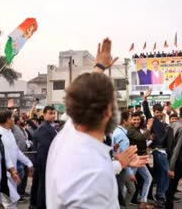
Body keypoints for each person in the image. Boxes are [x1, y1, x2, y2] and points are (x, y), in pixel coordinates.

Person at [46, 38, 148, 209]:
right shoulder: (95, 176)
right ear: (108, 112)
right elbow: (93, 172)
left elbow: (85, 96)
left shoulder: (67, 135)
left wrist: (99, 68)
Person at [0, 111, 33, 209]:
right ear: (8, 119)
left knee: (10, 201)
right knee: (10, 201)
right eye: (12, 117)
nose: (14, 120)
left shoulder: (9, 133)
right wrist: (11, 170)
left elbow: (16, 151)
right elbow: (4, 156)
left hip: (12, 174)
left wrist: (28, 162)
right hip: (5, 174)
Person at [142, 90, 169, 207]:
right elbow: (146, 111)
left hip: (162, 151)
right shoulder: (152, 120)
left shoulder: (162, 123)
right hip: (158, 151)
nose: (158, 113)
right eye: (157, 112)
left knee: (159, 175)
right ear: (154, 112)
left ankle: (156, 196)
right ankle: (160, 194)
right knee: (166, 173)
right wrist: (144, 99)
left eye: (160, 112)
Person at [31, 106, 57, 209]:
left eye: (53, 113)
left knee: (44, 186)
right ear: (44, 114)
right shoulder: (43, 128)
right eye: (50, 113)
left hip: (48, 162)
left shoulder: (50, 127)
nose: (53, 115)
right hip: (45, 162)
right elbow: (48, 147)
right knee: (43, 187)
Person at [127, 112, 153, 209]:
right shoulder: (130, 130)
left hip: (139, 159)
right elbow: (142, 138)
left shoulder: (137, 129)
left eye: (138, 119)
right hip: (134, 160)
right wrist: (149, 128)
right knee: (129, 181)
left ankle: (143, 201)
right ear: (130, 120)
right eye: (135, 119)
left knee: (148, 178)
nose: (137, 121)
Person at [112, 111, 136, 206]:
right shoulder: (121, 134)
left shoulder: (120, 132)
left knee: (122, 191)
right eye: (130, 119)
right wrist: (130, 173)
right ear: (124, 121)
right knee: (130, 190)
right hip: (122, 167)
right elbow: (124, 155)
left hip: (120, 166)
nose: (132, 121)